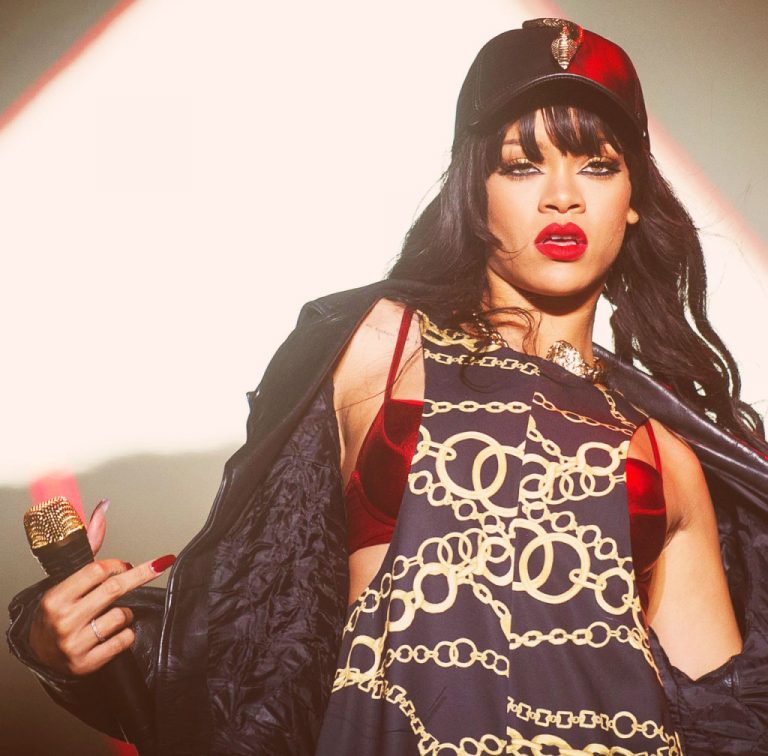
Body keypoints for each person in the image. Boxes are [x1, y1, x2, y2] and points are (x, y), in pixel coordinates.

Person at [8, 18, 768, 755]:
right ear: (473, 190)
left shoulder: (663, 454)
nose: (562, 196)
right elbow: (254, 623)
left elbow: (728, 725)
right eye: (521, 164)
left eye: (597, 165)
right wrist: (66, 639)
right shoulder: (377, 347)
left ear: (634, 199)